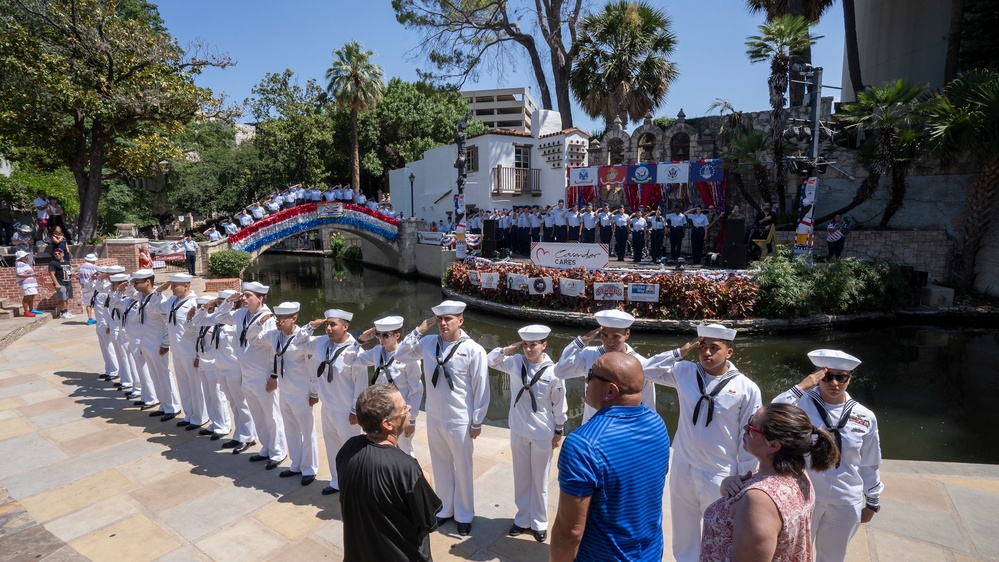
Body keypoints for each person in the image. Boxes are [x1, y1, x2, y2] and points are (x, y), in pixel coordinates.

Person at [643, 323, 763, 562]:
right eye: (703, 347)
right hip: (683, 464)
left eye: (714, 348)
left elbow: (750, 436)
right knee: (683, 532)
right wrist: (679, 352)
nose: (707, 353)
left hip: (721, 472)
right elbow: (645, 370)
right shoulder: (685, 372)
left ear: (729, 352)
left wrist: (743, 477)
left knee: (719, 534)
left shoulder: (746, 388)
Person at [551, 352, 670, 562]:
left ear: (610, 390)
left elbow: (569, 532)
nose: (586, 380)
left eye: (591, 375)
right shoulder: (657, 423)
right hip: (649, 554)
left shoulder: (583, 444)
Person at [771, 349, 883, 562]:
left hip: (845, 497)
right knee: (792, 554)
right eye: (827, 377)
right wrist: (801, 387)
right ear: (817, 377)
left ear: (850, 379)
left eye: (841, 377)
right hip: (805, 494)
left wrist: (872, 500)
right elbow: (769, 414)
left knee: (833, 556)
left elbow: (870, 461)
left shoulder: (865, 416)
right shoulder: (801, 404)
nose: (834, 383)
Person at [699, 402, 839, 562]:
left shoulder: (759, 500)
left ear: (773, 445)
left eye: (752, 427)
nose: (745, 428)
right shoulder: (798, 475)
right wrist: (728, 485)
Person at [395, 300, 489, 536]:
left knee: (463, 468)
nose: (443, 323)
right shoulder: (427, 343)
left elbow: (481, 388)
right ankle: (445, 508)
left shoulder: (474, 349)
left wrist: (477, 421)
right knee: (440, 465)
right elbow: (401, 354)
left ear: (461, 320)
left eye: (449, 319)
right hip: (435, 416)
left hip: (460, 419)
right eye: (440, 319)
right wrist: (418, 331)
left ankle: (465, 514)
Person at [337, 384, 443, 561]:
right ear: (388, 424)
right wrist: (425, 477)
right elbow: (428, 520)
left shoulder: (349, 448)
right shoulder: (405, 468)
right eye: (403, 408)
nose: (409, 407)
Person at [487, 324, 567, 542]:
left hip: (542, 432)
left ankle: (539, 522)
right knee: (521, 478)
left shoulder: (554, 372)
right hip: (519, 430)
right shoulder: (514, 363)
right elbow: (490, 360)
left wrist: (559, 429)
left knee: (539, 480)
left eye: (534, 345)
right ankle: (522, 519)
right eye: (526, 345)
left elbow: (559, 404)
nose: (529, 350)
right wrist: (508, 349)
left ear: (544, 345)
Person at [209, 282, 286, 460]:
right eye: (243, 295)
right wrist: (228, 301)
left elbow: (276, 350)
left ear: (260, 298)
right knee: (258, 415)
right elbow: (219, 318)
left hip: (263, 374)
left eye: (248, 295)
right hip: (246, 373)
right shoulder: (241, 314)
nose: (244, 298)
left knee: (271, 416)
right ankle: (266, 448)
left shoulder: (268, 318)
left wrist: (273, 376)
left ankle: (278, 451)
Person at [301, 309, 367, 495]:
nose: (328, 328)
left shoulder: (355, 351)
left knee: (351, 449)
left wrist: (356, 411)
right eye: (327, 324)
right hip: (327, 406)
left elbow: (360, 384)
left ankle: (355, 484)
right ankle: (337, 481)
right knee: (332, 447)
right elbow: (299, 343)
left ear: (345, 327)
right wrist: (310, 327)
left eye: (333, 324)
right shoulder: (322, 342)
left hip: (346, 409)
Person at [554, 309, 653, 424]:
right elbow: (560, 371)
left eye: (616, 337)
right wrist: (580, 342)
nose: (609, 342)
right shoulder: (589, 355)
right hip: (591, 427)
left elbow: (648, 404)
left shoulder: (641, 363)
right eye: (604, 336)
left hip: (623, 431)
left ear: (627, 334)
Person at [343, 315, 424, 456]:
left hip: (400, 411)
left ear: (397, 335)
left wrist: (411, 421)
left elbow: (416, 390)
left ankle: (407, 477)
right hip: (381, 411)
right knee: (380, 448)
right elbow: (350, 360)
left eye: (385, 335)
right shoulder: (377, 352)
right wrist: (360, 341)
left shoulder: (410, 357)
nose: (380, 338)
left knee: (404, 450)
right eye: (378, 334)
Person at [264, 302, 319, 486]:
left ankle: (309, 468)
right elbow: (256, 340)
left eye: (281, 319)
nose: (277, 322)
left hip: (301, 391)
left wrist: (313, 393)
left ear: (294, 319)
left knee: (306, 430)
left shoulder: (304, 341)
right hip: (284, 390)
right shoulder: (275, 336)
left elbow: (313, 369)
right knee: (290, 429)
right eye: (276, 318)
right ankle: (296, 464)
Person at [129, 269, 183, 422]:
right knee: (155, 375)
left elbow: (168, 324)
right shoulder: (141, 296)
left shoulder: (160, 300)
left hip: (158, 343)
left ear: (147, 282)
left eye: (136, 282)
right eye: (133, 282)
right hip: (146, 341)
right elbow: (127, 292)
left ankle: (173, 407)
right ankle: (164, 405)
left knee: (163, 375)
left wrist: (165, 344)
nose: (134, 284)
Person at [47, 247, 74, 319]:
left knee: (67, 299)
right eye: (55, 254)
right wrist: (56, 284)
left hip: (68, 283)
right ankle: (62, 313)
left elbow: (70, 270)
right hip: (60, 283)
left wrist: (72, 274)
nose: (57, 255)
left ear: (63, 254)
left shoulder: (67, 262)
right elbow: (52, 274)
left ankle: (66, 311)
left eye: (59, 253)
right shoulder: (53, 263)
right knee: (62, 299)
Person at [14, 250, 41, 318]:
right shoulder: (19, 264)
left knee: (31, 297)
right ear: (20, 258)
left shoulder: (25, 264)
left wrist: (34, 275)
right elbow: (20, 274)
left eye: (27, 256)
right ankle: (26, 312)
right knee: (27, 297)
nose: (27, 257)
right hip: (26, 284)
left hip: (31, 283)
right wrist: (33, 274)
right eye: (24, 256)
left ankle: (31, 310)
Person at [77, 253, 100, 325]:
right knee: (97, 303)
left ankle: (90, 318)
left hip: (84, 288)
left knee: (88, 304)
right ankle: (99, 318)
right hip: (93, 287)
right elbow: (97, 276)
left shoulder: (80, 267)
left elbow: (77, 277)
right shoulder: (94, 267)